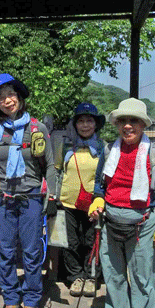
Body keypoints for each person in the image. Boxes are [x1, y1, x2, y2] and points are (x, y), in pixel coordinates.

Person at [89, 98, 155, 308]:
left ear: (143, 125)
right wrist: (98, 200)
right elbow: (99, 184)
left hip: (144, 222)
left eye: (133, 121)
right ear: (116, 125)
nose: (128, 126)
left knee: (144, 277)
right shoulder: (108, 151)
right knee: (113, 275)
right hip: (111, 219)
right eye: (123, 121)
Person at [0, 73, 56, 308]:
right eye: (1, 97)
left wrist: (52, 195)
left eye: (11, 95)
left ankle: (32, 300)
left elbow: (50, 166)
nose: (7, 101)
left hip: (31, 198)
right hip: (3, 199)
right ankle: (11, 299)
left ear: (20, 98)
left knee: (32, 251)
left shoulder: (37, 129)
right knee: (5, 251)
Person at [55, 102, 107, 297]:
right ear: (75, 124)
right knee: (71, 241)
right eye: (81, 121)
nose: (85, 125)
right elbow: (57, 170)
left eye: (89, 121)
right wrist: (54, 197)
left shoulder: (103, 148)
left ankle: (91, 277)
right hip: (68, 201)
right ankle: (75, 277)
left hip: (94, 203)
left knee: (91, 240)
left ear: (95, 124)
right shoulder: (66, 146)